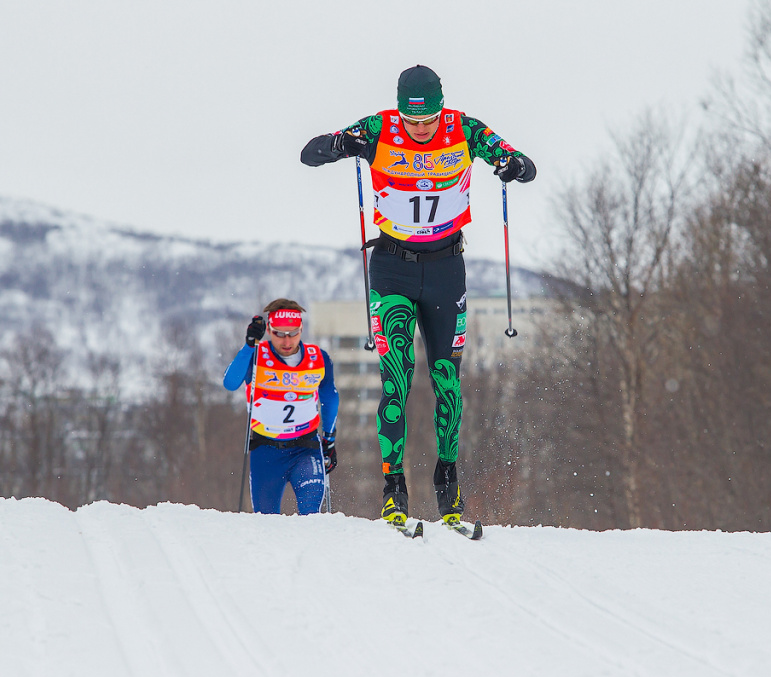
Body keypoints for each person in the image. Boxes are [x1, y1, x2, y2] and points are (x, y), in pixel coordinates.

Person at [300, 65, 536, 527]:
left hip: (447, 269)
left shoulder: (464, 129)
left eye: (428, 119)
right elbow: (310, 153)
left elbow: (522, 165)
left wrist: (514, 166)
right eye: (414, 123)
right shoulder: (379, 128)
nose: (422, 129)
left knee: (447, 379)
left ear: (440, 108)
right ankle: (394, 489)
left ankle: (448, 484)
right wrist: (340, 144)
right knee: (396, 378)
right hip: (393, 269)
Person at [222, 299, 339, 514]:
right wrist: (249, 345)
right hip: (265, 451)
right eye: (279, 334)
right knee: (267, 525)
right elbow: (230, 383)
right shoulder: (257, 356)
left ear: (301, 329)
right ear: (268, 330)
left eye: (293, 333)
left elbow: (330, 398)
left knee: (311, 518)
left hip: (306, 448)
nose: (287, 341)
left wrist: (329, 439)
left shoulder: (318, 358)